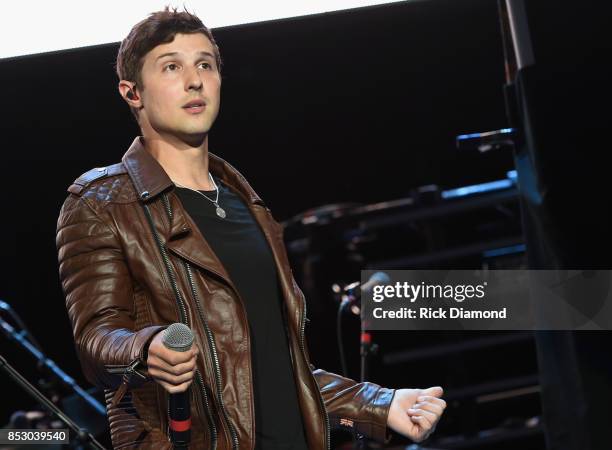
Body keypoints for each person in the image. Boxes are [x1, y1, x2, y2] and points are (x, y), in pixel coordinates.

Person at [56, 6, 445, 450]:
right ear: (132, 92)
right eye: (171, 67)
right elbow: (96, 340)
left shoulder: (244, 201)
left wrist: (380, 404)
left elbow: (275, 371)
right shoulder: (101, 202)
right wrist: (145, 348)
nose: (194, 80)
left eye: (205, 64)